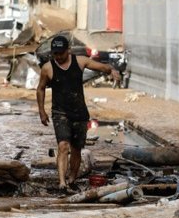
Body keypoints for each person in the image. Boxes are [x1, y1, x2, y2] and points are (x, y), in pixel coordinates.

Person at [36, 35, 121, 191]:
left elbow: (100, 66)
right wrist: (41, 111)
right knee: (63, 146)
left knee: (76, 149)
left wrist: (112, 70)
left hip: (80, 113)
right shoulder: (47, 68)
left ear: (68, 50)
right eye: (55, 53)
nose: (58, 57)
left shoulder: (80, 61)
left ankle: (71, 180)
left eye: (61, 53)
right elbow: (40, 89)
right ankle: (61, 182)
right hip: (59, 112)